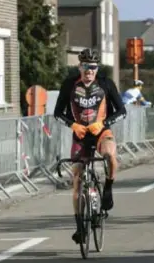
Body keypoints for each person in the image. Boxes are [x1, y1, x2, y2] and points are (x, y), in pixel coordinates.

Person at [54, 48, 126, 244]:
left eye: (93, 67)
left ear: (97, 68)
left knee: (110, 154)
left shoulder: (105, 83)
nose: (89, 71)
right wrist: (73, 124)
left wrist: (102, 123)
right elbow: (57, 113)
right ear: (80, 66)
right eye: (85, 67)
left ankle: (108, 189)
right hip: (80, 134)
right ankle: (80, 228)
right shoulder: (70, 84)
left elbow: (122, 111)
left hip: (101, 131)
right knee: (77, 177)